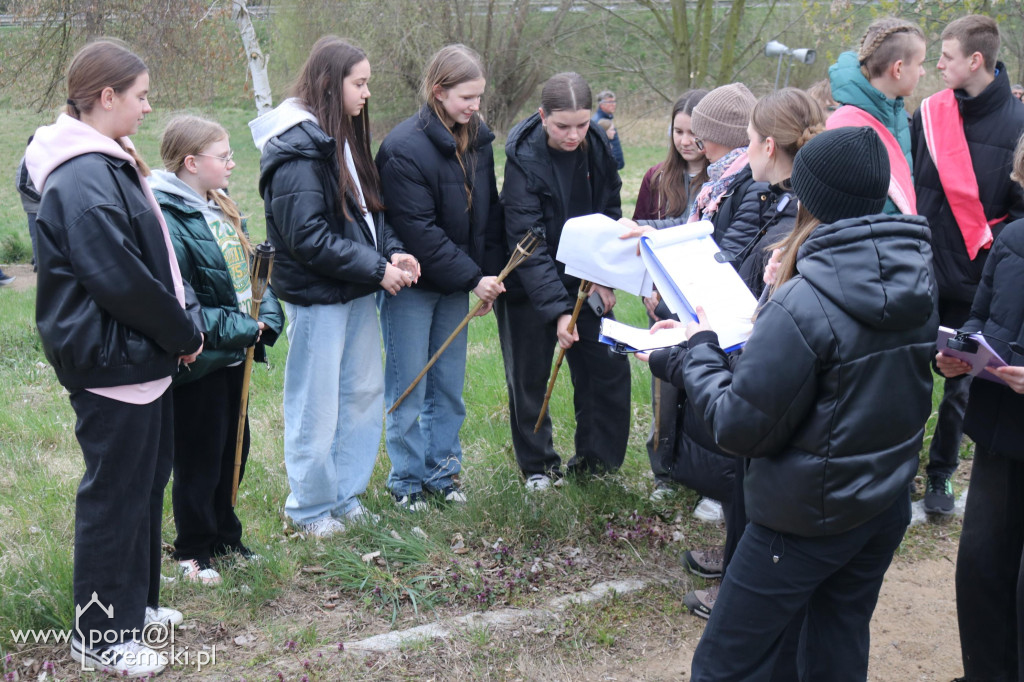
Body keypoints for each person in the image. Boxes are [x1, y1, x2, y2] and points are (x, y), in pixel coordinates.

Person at [643, 126, 937, 680]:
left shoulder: (805, 298)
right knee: (832, 645)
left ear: (808, 196)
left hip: (804, 518)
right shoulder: (914, 271)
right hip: (880, 502)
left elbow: (739, 425)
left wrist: (692, 353)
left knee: (725, 662)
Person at [25, 39, 204, 677]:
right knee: (115, 496)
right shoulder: (81, 176)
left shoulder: (105, 160)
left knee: (146, 483)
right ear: (107, 98)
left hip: (138, 354)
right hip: (111, 357)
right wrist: (182, 333)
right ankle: (101, 634)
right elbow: (119, 278)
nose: (148, 107)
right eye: (141, 96)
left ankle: (137, 606)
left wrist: (173, 334)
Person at [646, 88, 826, 620]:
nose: (738, 157)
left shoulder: (794, 205)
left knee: (755, 473)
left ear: (768, 145)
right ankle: (735, 560)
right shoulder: (774, 194)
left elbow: (764, 276)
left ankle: (740, 586)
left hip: (763, 352)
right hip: (746, 338)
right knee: (745, 474)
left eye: (746, 142)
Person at [251, 36, 419, 537]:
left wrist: (390, 253)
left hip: (354, 289)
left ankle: (344, 496)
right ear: (329, 84)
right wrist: (375, 269)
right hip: (320, 296)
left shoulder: (339, 136)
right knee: (316, 403)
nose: (367, 93)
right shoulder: (297, 146)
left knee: (363, 393)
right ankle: (308, 508)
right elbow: (307, 237)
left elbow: (366, 213)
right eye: (359, 83)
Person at [622, 82, 766, 524]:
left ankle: (722, 492)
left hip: (721, 317)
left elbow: (722, 253)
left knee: (715, 397)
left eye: (697, 131)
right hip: (694, 310)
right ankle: (692, 476)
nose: (691, 141)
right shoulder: (720, 181)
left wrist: (662, 246)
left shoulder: (742, 183)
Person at [150, 115, 284, 584]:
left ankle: (226, 537)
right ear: (191, 162)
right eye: (222, 156)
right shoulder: (165, 217)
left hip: (234, 355)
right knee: (200, 457)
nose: (231, 163)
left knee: (235, 451)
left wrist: (267, 318)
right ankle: (192, 549)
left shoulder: (222, 207)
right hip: (200, 361)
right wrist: (243, 326)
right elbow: (184, 303)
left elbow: (249, 275)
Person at [375, 45, 504, 510]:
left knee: (448, 386)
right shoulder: (401, 149)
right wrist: (474, 279)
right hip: (411, 288)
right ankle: (406, 484)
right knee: (409, 386)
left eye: (479, 98)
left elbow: (486, 214)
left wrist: (485, 274)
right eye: (466, 98)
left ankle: (444, 476)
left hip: (455, 284)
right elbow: (418, 232)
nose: (474, 107)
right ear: (438, 92)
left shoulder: (478, 140)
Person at [911, 14, 1024, 516]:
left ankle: (941, 475)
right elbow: (913, 189)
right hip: (921, 273)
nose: (937, 65)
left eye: (947, 56)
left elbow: (1020, 215)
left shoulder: (1020, 125)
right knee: (908, 374)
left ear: (976, 61)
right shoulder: (928, 114)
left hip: (978, 283)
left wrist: (988, 247)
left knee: (962, 382)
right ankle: (896, 473)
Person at [497, 72, 630, 491]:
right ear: (542, 117)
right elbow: (528, 241)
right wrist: (558, 312)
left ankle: (597, 465)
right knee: (531, 376)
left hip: (585, 278)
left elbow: (608, 210)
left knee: (606, 366)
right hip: (528, 282)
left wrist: (604, 278)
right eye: (562, 126)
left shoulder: (597, 147)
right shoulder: (523, 161)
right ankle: (539, 467)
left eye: (581, 124)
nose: (573, 135)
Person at [937, 132, 1024, 682]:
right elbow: (981, 317)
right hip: (999, 436)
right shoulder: (1012, 240)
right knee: (981, 572)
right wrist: (959, 352)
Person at [632, 89, 708, 502]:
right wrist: (648, 287)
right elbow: (638, 238)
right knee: (665, 390)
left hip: (700, 303)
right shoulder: (655, 177)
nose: (685, 140)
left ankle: (703, 473)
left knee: (702, 389)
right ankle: (663, 473)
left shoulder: (722, 181)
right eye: (678, 130)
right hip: (660, 302)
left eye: (694, 133)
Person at [828, 16, 926, 215]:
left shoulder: (896, 113)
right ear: (898, 69)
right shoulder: (846, 127)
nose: (923, 72)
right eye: (920, 64)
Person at [16, 148, 41, 271]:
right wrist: (41, 198)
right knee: (36, 235)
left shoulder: (46, 158)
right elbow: (21, 185)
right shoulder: (26, 161)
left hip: (47, 204)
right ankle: (39, 264)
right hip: (34, 207)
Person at [592, 90, 625, 170]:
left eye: (614, 101)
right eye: (610, 102)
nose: (613, 104)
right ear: (601, 104)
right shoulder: (597, 121)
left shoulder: (607, 118)